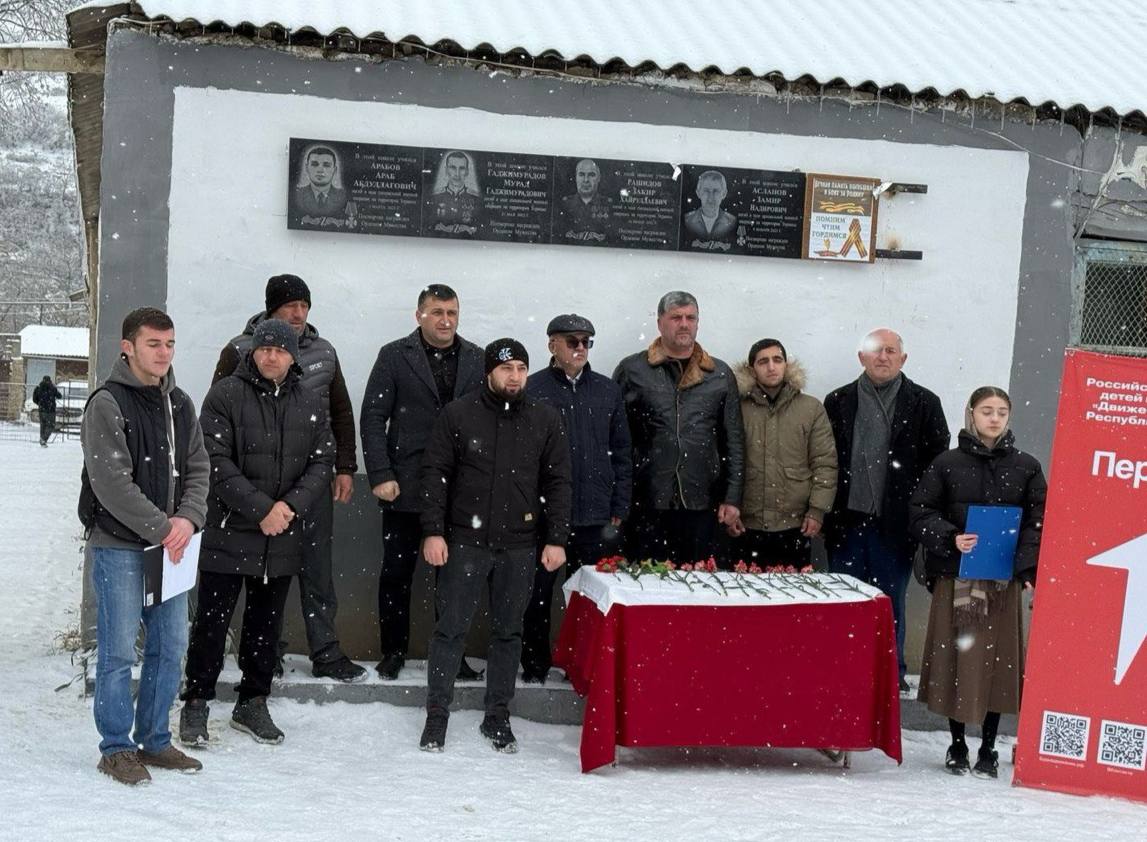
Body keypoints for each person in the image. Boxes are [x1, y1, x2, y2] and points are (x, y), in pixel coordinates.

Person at [180, 319, 334, 747]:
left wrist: (288, 508)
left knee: (265, 626)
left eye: (280, 350)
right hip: (229, 531)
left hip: (281, 534)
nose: (271, 356)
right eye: (264, 349)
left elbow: (323, 461)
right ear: (252, 352)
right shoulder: (226, 394)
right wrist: (260, 508)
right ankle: (196, 702)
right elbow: (213, 459)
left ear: (292, 356)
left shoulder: (310, 401)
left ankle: (252, 701)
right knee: (212, 623)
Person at [418, 339, 571, 753]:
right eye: (507, 369)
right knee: (451, 629)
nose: (515, 377)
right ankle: (436, 715)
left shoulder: (544, 419)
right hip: (464, 541)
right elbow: (436, 476)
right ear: (490, 372)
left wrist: (556, 538)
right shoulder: (459, 414)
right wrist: (433, 532)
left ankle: (497, 715)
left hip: (520, 546)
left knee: (509, 632)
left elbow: (558, 483)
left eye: (521, 368)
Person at [214, 274, 365, 683]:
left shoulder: (324, 353)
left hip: (311, 484)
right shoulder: (239, 350)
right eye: (290, 307)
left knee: (317, 569)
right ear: (270, 309)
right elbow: (218, 418)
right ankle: (267, 651)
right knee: (265, 575)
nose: (299, 314)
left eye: (304, 306)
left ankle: (326, 650)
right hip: (259, 489)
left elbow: (341, 412)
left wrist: (345, 467)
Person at [81, 306, 209, 785]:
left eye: (170, 343)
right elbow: (110, 482)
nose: (163, 353)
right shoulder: (107, 403)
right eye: (153, 343)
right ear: (127, 346)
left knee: (170, 645)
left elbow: (199, 468)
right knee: (117, 651)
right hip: (120, 546)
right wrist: (164, 527)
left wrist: (189, 520)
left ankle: (154, 740)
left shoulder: (181, 404)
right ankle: (116, 747)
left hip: (170, 547)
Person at [909, 386, 1046, 778]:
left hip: (1002, 580)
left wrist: (1024, 569)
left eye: (1002, 411)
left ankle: (988, 747)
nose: (994, 418)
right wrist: (950, 536)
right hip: (960, 576)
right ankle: (956, 744)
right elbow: (920, 511)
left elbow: (1039, 522)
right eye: (987, 410)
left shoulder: (1027, 466)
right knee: (960, 660)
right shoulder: (947, 463)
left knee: (997, 666)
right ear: (971, 413)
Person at [360, 284, 485, 681]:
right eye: (436, 312)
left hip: (459, 489)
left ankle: (451, 654)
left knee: (454, 579)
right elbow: (373, 417)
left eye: (451, 312)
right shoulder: (395, 356)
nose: (445, 320)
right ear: (419, 316)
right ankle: (394, 651)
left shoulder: (476, 359)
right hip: (406, 485)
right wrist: (380, 474)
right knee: (396, 573)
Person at [823, 328, 950, 692]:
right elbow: (826, 459)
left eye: (890, 351)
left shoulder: (924, 403)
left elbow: (934, 468)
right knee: (845, 599)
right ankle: (843, 668)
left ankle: (889, 674)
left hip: (895, 525)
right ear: (861, 357)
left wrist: (920, 515)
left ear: (903, 359)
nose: (882, 357)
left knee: (888, 600)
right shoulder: (838, 401)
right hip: (846, 520)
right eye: (875, 351)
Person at [520, 314, 631, 683]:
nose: (580, 347)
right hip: (545, 515)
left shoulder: (606, 390)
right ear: (552, 345)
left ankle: (580, 665)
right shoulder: (532, 390)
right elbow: (518, 457)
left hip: (596, 515)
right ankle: (534, 664)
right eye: (572, 341)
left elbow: (622, 451)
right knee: (537, 595)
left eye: (586, 341)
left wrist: (619, 506)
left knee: (589, 599)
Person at [613, 291, 744, 565]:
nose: (684, 324)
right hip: (647, 501)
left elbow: (734, 441)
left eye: (690, 317)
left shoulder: (719, 375)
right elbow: (617, 441)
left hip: (702, 502)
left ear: (698, 322)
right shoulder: (633, 370)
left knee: (696, 590)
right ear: (660, 322)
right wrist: (619, 499)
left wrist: (732, 498)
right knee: (646, 587)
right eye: (676, 317)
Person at [728, 339, 837, 567]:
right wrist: (729, 507)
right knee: (747, 598)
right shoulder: (737, 408)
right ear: (751, 369)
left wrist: (817, 511)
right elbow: (725, 460)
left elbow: (824, 463)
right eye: (763, 361)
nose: (771, 367)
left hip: (796, 527)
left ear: (786, 365)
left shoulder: (810, 409)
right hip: (746, 526)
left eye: (777, 360)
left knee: (792, 598)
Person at [427, 150, 481, 237]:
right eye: (453, 168)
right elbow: (430, 227)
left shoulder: (475, 198)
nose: (457, 174)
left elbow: (477, 229)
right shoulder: (435, 197)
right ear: (446, 170)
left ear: (467, 171)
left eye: (462, 168)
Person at [291, 145, 351, 221]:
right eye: (314, 164)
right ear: (306, 168)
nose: (320, 170)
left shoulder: (343, 196)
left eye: (326, 165)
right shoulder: (297, 195)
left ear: (335, 170)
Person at [557, 159, 611, 242]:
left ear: (599, 178)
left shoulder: (609, 205)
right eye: (581, 174)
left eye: (591, 175)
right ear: (575, 177)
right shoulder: (563, 205)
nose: (586, 180)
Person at [683, 170, 738, 246]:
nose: (710, 198)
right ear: (698, 193)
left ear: (724, 194)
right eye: (706, 191)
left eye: (716, 191)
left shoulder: (733, 223)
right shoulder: (686, 221)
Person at [32, 374, 62, 446]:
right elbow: (59, 396)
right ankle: (44, 439)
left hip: (42, 410)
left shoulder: (38, 388)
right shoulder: (52, 388)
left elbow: (34, 399)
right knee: (51, 426)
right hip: (51, 410)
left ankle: (42, 440)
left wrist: (40, 404)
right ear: (50, 380)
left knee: (43, 426)